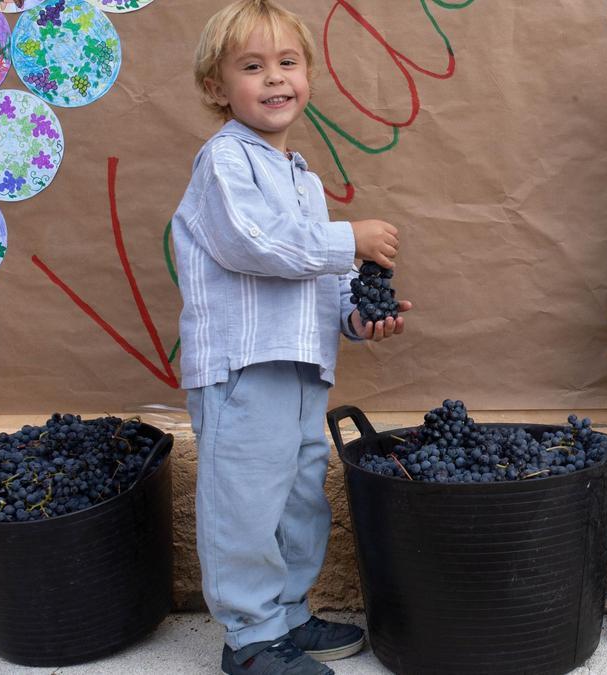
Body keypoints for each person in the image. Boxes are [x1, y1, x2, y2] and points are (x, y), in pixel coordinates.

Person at [171, 2, 411, 673]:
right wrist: (350, 238)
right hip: (242, 368)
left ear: (306, 75)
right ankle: (249, 636)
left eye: (287, 63)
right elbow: (256, 245)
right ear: (218, 88)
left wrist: (359, 316)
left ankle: (286, 613)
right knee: (243, 499)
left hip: (303, 367)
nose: (274, 78)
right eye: (252, 66)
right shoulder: (224, 162)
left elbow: (317, 282)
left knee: (299, 494)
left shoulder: (302, 178)